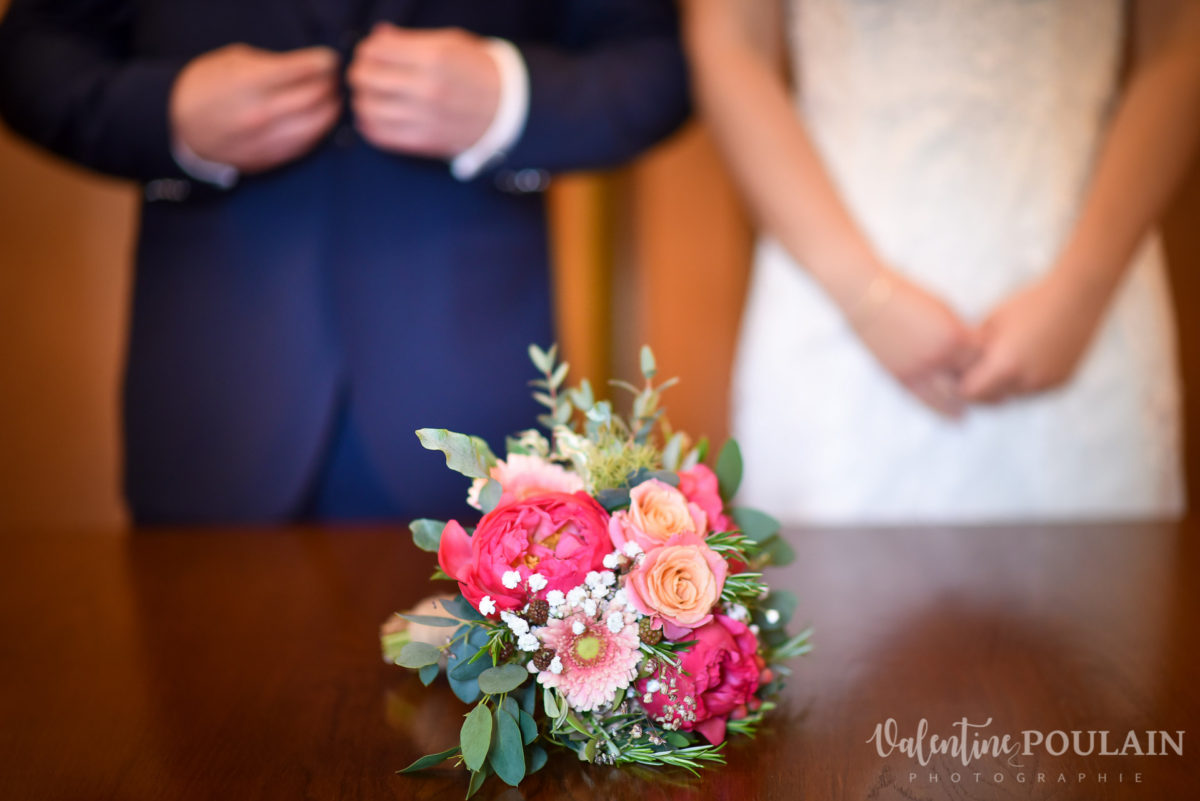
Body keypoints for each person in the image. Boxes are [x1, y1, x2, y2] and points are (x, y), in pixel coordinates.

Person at [0, 0, 689, 524]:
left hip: (471, 378)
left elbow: (662, 61)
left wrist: (511, 99)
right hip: (213, 385)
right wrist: (169, 115)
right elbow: (33, 54)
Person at [682, 0, 1200, 523]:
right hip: (833, 306)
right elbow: (731, 48)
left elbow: (1181, 46)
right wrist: (865, 294)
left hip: (1084, 305)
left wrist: (1082, 288)